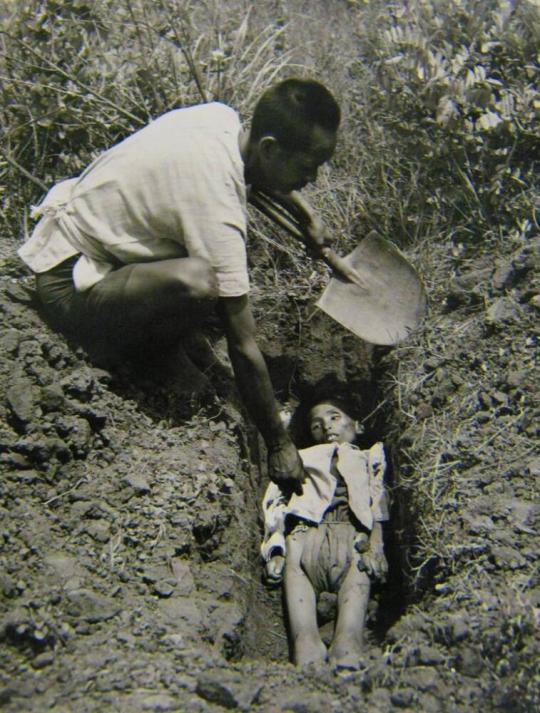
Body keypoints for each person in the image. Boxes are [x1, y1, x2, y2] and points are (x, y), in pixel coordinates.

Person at [17, 78, 341, 493]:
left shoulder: (219, 119)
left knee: (202, 275)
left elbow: (259, 170)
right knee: (201, 283)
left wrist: (306, 216)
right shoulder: (217, 210)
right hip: (68, 280)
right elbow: (243, 345)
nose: (313, 178)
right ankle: (136, 353)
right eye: (307, 166)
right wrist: (278, 443)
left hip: (88, 238)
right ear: (271, 149)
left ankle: (147, 322)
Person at [260, 397, 389, 668]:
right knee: (304, 643)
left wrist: (377, 544)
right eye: (317, 425)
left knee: (350, 637)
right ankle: (307, 650)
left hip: (353, 538)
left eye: (334, 417)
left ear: (358, 426)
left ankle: (347, 649)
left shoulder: (369, 456)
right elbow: (277, 503)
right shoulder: (300, 457)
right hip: (304, 538)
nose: (326, 427)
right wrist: (276, 548)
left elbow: (378, 499)